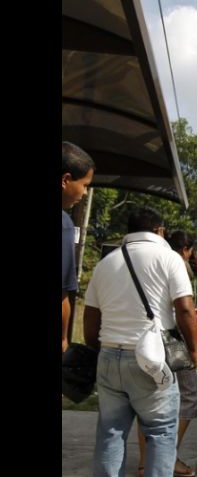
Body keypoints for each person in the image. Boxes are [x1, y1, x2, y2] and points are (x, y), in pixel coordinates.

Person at [83, 207, 197, 477]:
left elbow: (91, 316)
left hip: (110, 357)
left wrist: (97, 349)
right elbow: (184, 309)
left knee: (110, 434)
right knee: (160, 432)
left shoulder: (106, 263)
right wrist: (193, 350)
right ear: (159, 231)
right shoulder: (170, 258)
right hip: (152, 359)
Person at [136, 230, 197, 477]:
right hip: (172, 339)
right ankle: (168, 458)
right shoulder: (176, 263)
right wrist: (194, 349)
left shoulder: (151, 260)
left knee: (148, 401)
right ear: (186, 250)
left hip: (143, 338)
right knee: (189, 396)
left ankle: (144, 464)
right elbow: (184, 310)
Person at [62, 141, 95, 353]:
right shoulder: (63, 223)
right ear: (66, 180)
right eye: (84, 185)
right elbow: (62, 294)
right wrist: (63, 340)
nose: (84, 193)